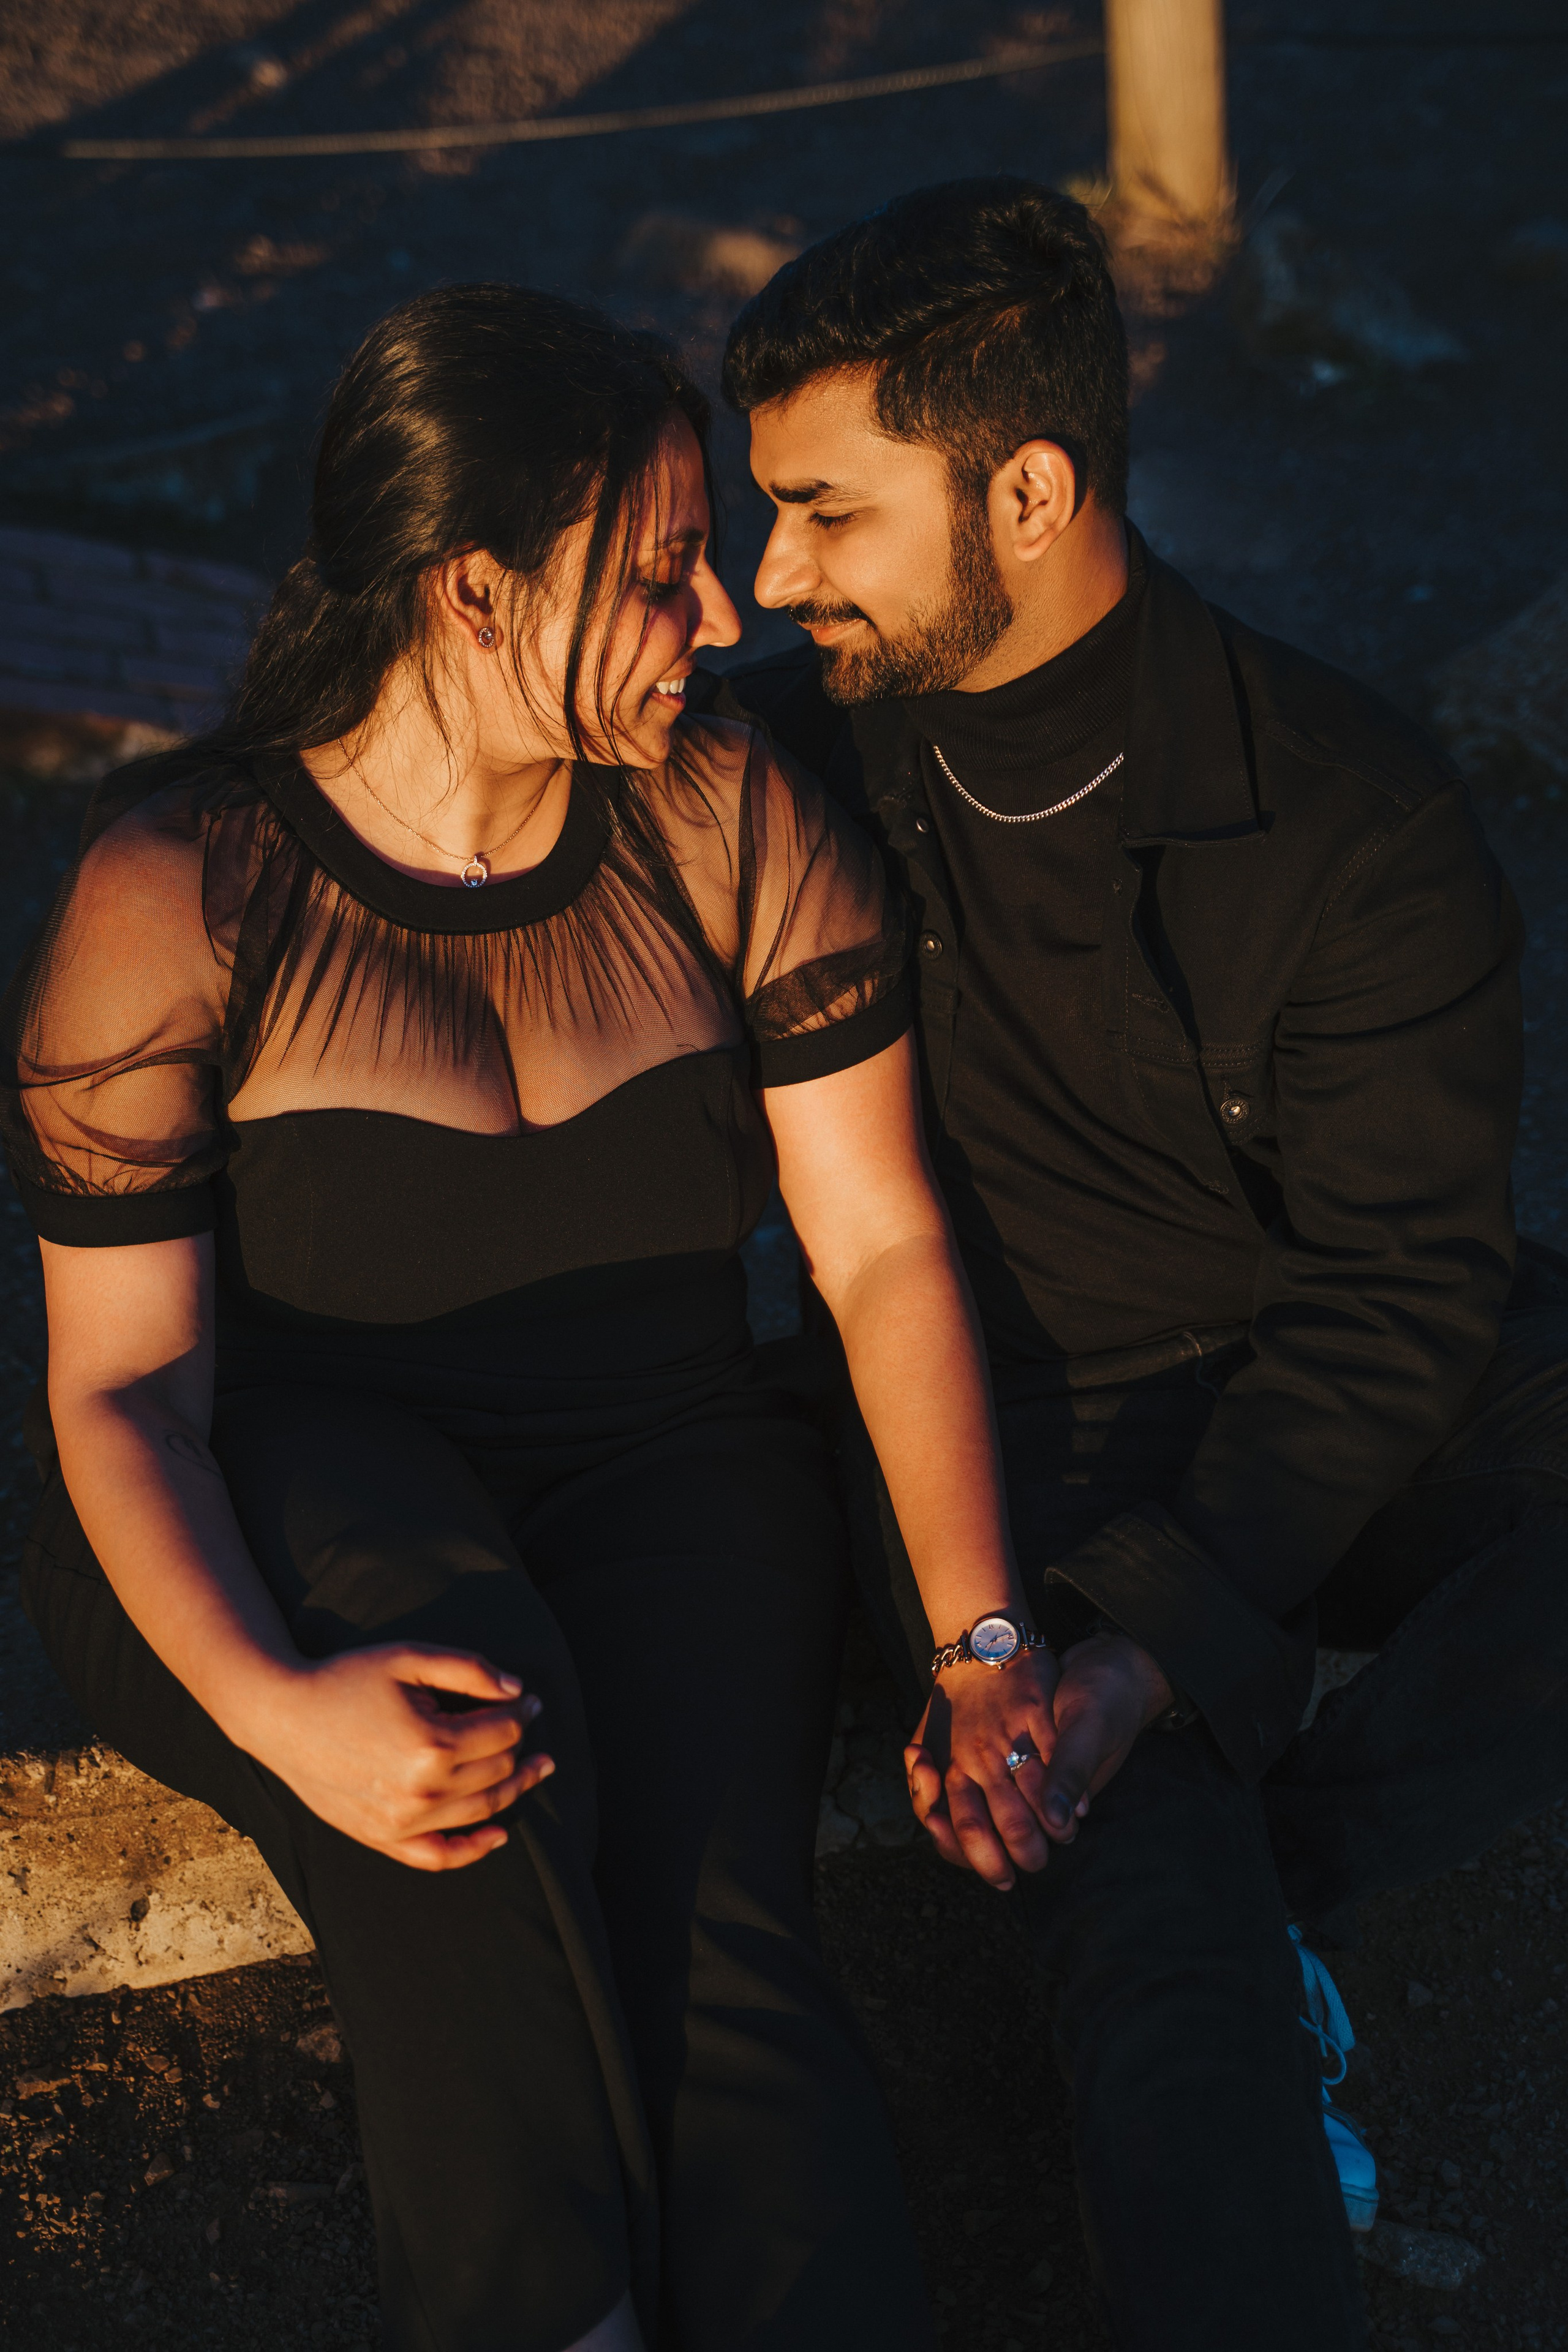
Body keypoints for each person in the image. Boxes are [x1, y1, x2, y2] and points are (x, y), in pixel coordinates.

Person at [0, 284, 1058, 2352]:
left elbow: (880, 1252)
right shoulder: (186, 888)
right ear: (478, 592)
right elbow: (121, 1388)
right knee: (458, 1805)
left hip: (674, 1453)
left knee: (731, 1954)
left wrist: (985, 1637)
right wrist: (280, 1714)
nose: (721, 612)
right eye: (658, 570)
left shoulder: (728, 815)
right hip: (294, 1481)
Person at [693, 179, 1568, 2351]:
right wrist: (1071, 1657)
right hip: (1004, 1430)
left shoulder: (1353, 816)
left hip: (1320, 1382)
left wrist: (1167, 1645)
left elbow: (1393, 1298)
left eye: (824, 514)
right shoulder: (782, 764)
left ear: (1034, 487)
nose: (767, 574)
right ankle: (1207, 1917)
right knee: (1145, 1953)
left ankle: (1292, 1870)